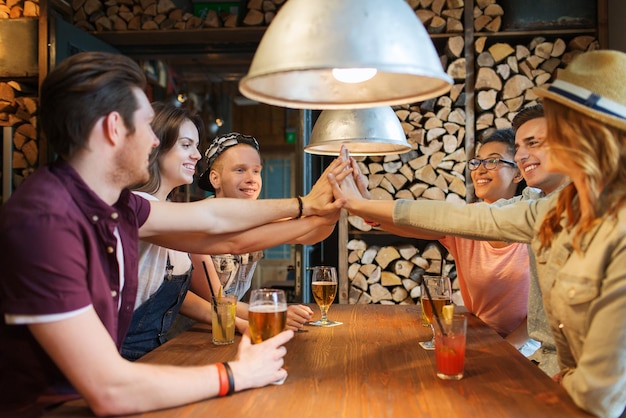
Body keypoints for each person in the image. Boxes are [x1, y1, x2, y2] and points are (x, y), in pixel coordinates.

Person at [0, 51, 350, 417]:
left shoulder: (117, 204)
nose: (154, 141)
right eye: (148, 126)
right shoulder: (44, 223)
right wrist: (237, 374)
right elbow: (109, 389)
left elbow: (213, 219)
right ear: (113, 128)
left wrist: (306, 206)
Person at [330, 50, 626, 418]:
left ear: (589, 136)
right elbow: (461, 217)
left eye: (551, 132)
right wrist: (362, 205)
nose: (525, 153)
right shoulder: (557, 208)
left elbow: (599, 393)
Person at [122, 112, 333, 360]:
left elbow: (306, 233)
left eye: (256, 170)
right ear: (155, 146)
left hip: (156, 348)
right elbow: (231, 238)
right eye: (186, 145)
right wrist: (307, 204)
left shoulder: (169, 211)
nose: (197, 155)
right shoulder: (140, 207)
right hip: (139, 350)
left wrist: (333, 207)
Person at [373, 128, 538, 354]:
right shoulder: (462, 223)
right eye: (477, 162)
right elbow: (408, 226)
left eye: (492, 162)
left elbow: (546, 307)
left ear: (518, 173)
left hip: (529, 345)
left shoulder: (534, 221)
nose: (480, 169)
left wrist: (508, 348)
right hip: (481, 335)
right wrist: (369, 213)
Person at [188, 132, 315, 332]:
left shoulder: (257, 219)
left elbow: (311, 231)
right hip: (195, 335)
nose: (251, 179)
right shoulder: (197, 223)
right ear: (215, 179)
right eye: (240, 170)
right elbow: (216, 300)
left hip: (233, 328)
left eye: (256, 171)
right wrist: (272, 314)